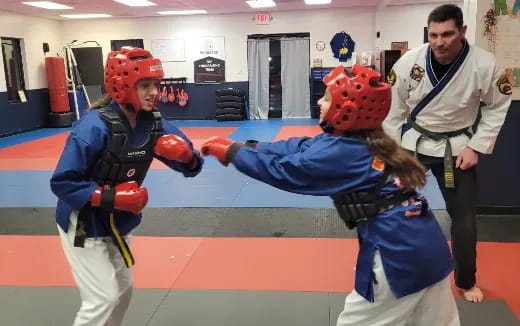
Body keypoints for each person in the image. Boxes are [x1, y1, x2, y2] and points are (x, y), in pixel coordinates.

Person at [201, 64, 459, 325]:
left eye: (326, 97)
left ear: (346, 110)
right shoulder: (362, 139)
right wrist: (248, 146)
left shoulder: (342, 152)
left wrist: (233, 154)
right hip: (427, 246)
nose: (319, 101)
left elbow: (284, 171)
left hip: (397, 257)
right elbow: (298, 147)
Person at [50, 46, 203, 326]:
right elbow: (63, 183)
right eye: (145, 85)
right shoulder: (93, 127)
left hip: (119, 220)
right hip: (83, 222)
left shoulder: (153, 123)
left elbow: (191, 166)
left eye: (156, 85)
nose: (154, 92)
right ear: (122, 86)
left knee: (123, 291)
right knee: (103, 298)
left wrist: (187, 157)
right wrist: (109, 197)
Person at [383, 4, 512, 303]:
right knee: (390, 205)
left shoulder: (485, 64)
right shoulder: (409, 62)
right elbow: (390, 109)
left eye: (447, 34)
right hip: (414, 144)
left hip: (457, 149)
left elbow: (497, 106)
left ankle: (466, 280)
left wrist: (476, 146)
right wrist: (393, 152)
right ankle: (390, 268)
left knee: (465, 219)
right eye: (434, 35)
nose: (440, 41)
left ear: (463, 31)